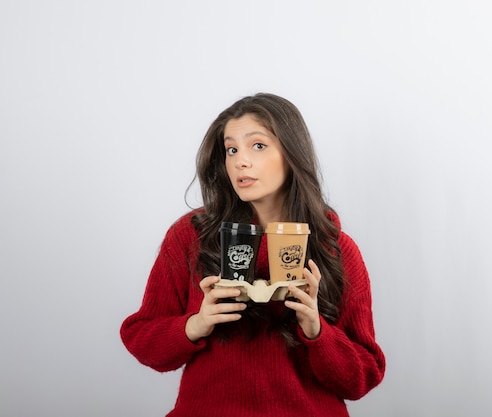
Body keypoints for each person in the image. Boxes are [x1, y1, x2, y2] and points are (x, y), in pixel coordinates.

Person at [120, 93, 386, 416]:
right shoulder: (191, 237)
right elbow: (141, 338)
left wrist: (317, 330)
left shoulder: (334, 249)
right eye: (231, 149)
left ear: (291, 154)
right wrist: (196, 325)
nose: (240, 161)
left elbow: (365, 375)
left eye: (257, 146)